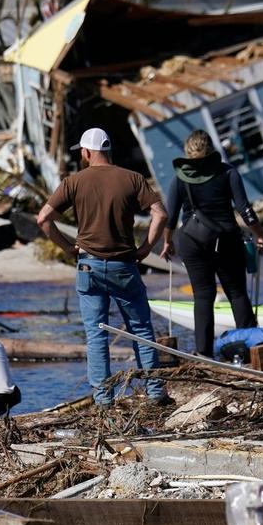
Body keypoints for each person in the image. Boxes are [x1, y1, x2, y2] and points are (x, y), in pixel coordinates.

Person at [37, 127, 170, 408]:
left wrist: (68, 247)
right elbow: (160, 214)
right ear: (108, 151)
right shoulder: (132, 178)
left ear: (86, 152)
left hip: (89, 266)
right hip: (124, 265)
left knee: (96, 334)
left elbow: (44, 219)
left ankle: (103, 398)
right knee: (141, 329)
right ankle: (155, 391)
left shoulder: (73, 181)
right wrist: (146, 248)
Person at [158, 130, 263, 358]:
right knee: (237, 292)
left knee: (203, 295)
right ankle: (249, 347)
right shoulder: (228, 173)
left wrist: (167, 242)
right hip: (225, 239)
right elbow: (245, 210)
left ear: (187, 152)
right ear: (210, 149)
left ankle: (204, 353)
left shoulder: (179, 178)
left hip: (191, 241)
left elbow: (170, 216)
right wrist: (259, 235)